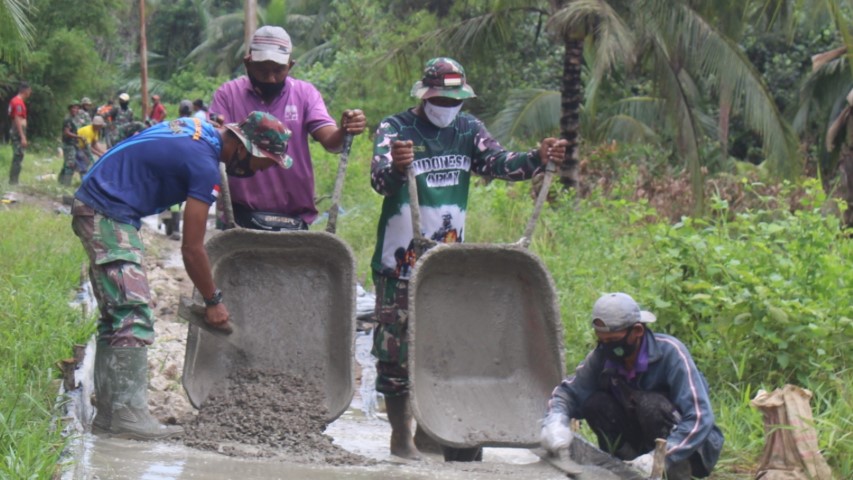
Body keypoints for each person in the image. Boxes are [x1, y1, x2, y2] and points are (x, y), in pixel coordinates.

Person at [369, 56, 568, 461]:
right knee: (395, 349)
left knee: (445, 347)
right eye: (441, 98)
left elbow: (498, 162)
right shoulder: (395, 129)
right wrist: (397, 167)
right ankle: (399, 434)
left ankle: (434, 427)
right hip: (400, 259)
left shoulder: (467, 130)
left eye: (455, 99)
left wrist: (536, 157)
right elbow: (379, 179)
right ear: (425, 95)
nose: (448, 106)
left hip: (448, 263)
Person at [71, 111, 291, 440]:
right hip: (106, 210)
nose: (267, 170)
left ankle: (110, 414)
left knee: (116, 313)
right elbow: (192, 249)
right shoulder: (204, 164)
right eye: (268, 162)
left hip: (106, 205)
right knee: (132, 310)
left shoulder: (199, 130)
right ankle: (128, 415)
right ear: (246, 150)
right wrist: (213, 300)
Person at [540, 292, 724, 479]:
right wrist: (556, 421)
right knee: (596, 403)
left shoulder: (671, 353)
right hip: (637, 441)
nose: (607, 346)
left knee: (650, 404)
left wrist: (660, 457)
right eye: (602, 340)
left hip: (682, 447)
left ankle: (671, 473)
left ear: (637, 331)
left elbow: (700, 417)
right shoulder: (603, 356)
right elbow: (568, 393)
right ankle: (626, 468)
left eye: (613, 340)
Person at [209, 25, 367, 230]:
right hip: (239, 215)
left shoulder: (305, 94)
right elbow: (215, 142)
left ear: (290, 65)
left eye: (278, 70)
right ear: (248, 63)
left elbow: (331, 142)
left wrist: (345, 130)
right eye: (263, 70)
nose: (271, 78)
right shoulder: (228, 95)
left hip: (294, 216)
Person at [7, 82, 32, 184]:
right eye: (29, 90)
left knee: (19, 156)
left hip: (17, 131)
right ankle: (13, 181)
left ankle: (14, 180)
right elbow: (17, 118)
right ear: (25, 90)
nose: (30, 93)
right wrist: (22, 136)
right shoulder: (17, 102)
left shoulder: (16, 101)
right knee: (18, 155)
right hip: (18, 131)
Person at [59, 100, 81, 185]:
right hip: (69, 144)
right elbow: (67, 132)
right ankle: (66, 183)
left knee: (67, 163)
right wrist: (78, 137)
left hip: (72, 144)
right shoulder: (68, 119)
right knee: (70, 165)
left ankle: (61, 181)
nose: (76, 110)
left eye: (77, 108)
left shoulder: (74, 119)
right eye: (74, 108)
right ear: (70, 109)